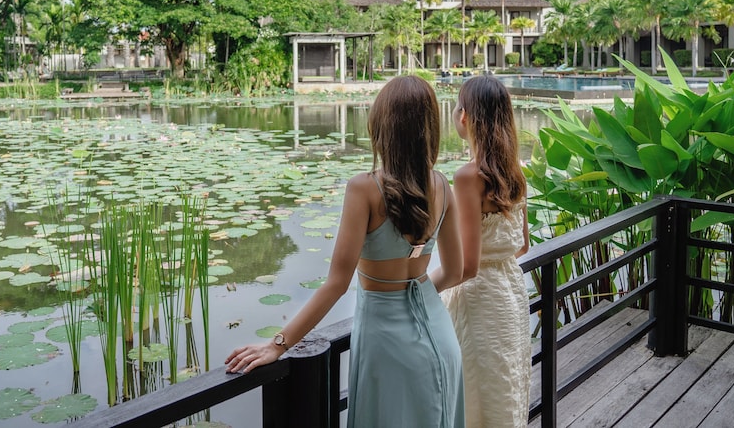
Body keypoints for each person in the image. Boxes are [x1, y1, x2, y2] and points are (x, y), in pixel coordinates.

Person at [226, 75, 465, 427]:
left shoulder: (364, 188)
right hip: (441, 337)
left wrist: (278, 344)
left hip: (389, 345)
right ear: (430, 128)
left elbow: (337, 284)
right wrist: (414, 291)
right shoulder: (443, 184)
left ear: (382, 125)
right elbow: (456, 271)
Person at [441, 75, 531, 428]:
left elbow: (467, 266)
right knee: (505, 388)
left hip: (479, 300)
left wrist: (420, 288)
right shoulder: (516, 172)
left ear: (465, 116)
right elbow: (523, 245)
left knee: (475, 395)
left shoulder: (467, 177)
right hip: (511, 292)